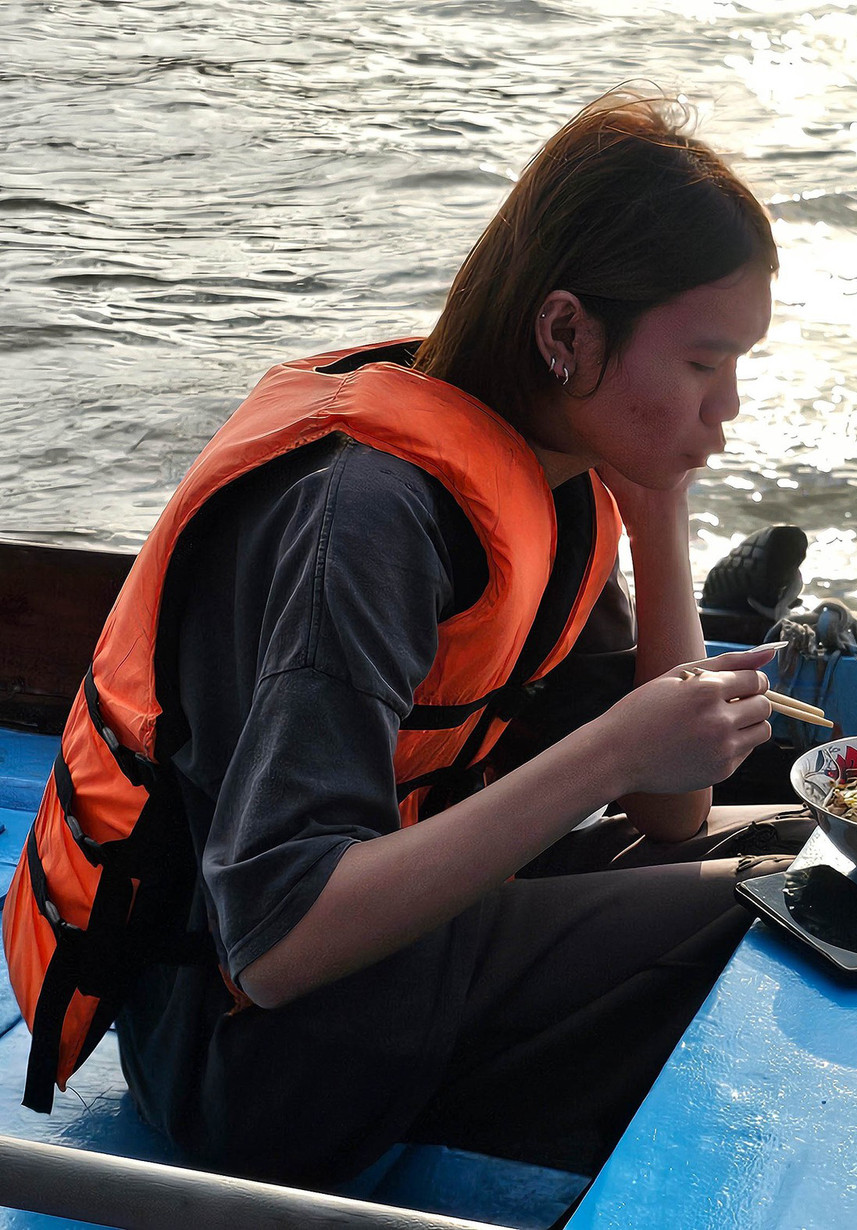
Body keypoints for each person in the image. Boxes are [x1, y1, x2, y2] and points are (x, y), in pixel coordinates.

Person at [3, 89, 808, 1186]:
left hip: (394, 948)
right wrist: (616, 749)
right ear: (565, 333)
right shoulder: (370, 516)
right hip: (254, 1055)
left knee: (822, 850)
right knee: (783, 909)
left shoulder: (558, 486)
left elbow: (672, 813)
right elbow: (278, 942)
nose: (729, 407)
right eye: (704, 365)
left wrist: (658, 510)